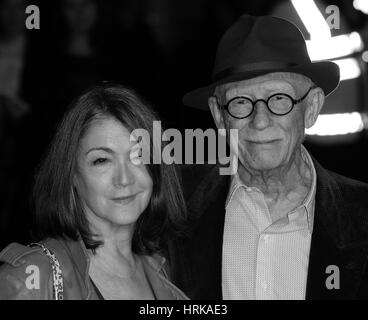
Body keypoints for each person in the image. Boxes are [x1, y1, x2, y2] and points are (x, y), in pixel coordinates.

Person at [168, 14, 368, 300]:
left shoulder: (362, 216)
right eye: (240, 102)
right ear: (219, 117)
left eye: (279, 99)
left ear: (311, 108)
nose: (260, 121)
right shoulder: (174, 210)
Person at [0, 83, 188, 300]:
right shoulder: (31, 278)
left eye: (138, 156)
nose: (124, 179)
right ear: (71, 175)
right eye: (101, 160)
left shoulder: (163, 272)